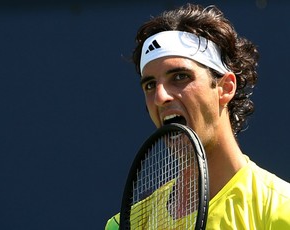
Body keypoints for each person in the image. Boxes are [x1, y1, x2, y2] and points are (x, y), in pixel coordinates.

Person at [105, 2, 290, 229]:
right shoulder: (127, 225)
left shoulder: (282, 210)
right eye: (150, 84)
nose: (160, 96)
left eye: (180, 77)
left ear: (225, 87)